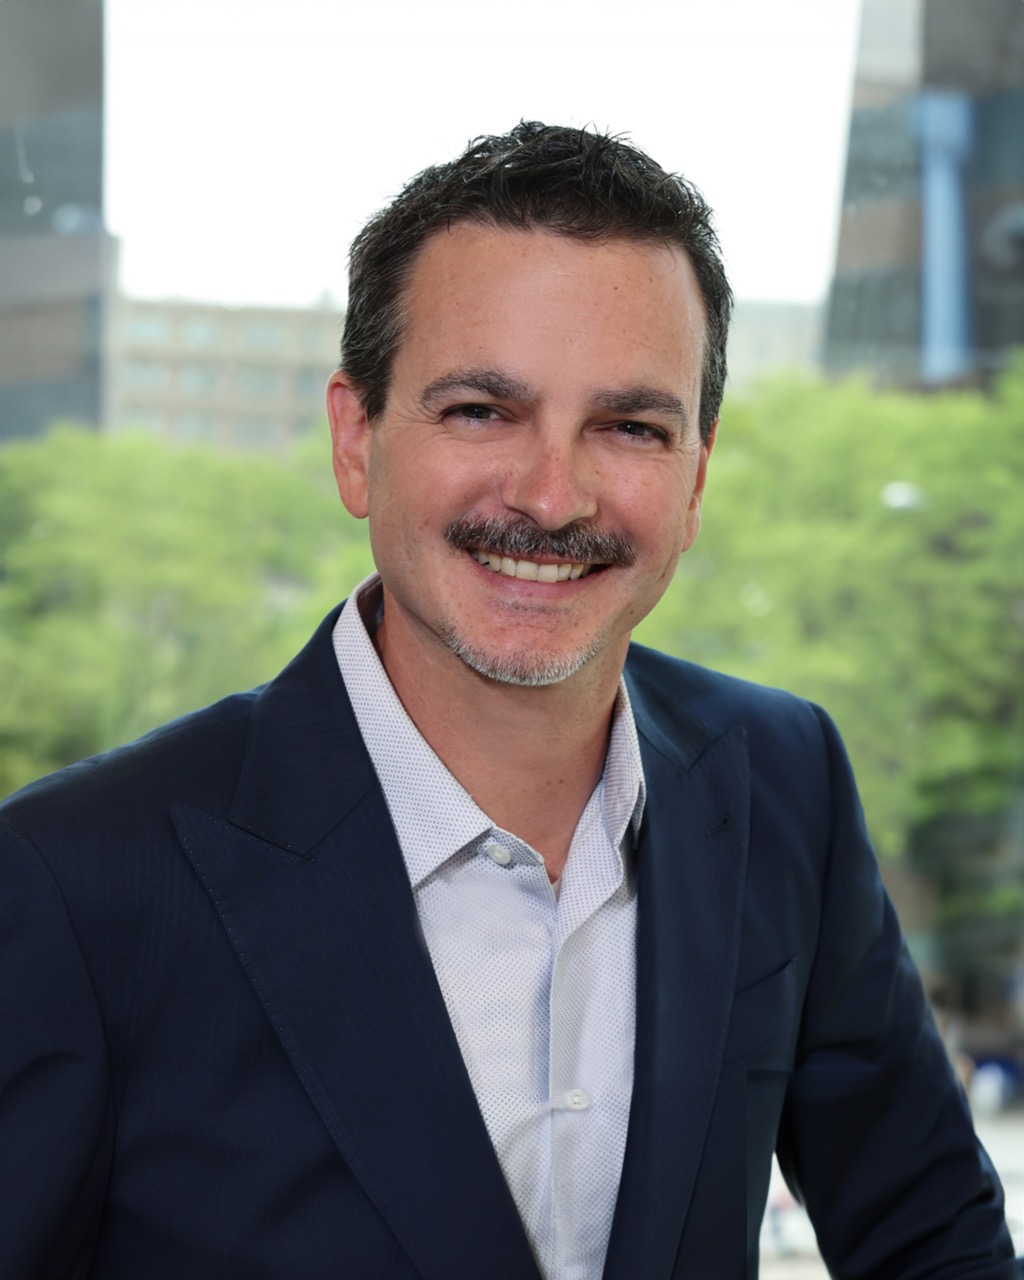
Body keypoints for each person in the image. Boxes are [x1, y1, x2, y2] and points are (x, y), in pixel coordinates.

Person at [0, 122, 1020, 1280]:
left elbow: (935, 1239)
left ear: (694, 477)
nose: (550, 494)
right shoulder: (72, 875)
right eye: (481, 410)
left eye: (629, 426)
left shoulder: (784, 779)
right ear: (355, 439)